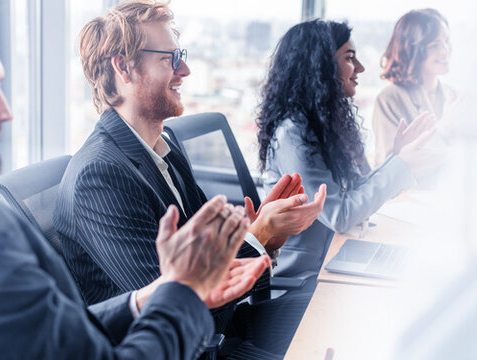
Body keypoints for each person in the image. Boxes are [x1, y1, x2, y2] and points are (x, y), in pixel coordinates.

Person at [0, 0, 268, 358]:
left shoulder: (165, 147)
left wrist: (156, 294)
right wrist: (183, 289)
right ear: (123, 68)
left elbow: (61, 334)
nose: (6, 114)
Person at [55, 1, 326, 357]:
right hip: (190, 347)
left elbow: (205, 259)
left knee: (341, 309)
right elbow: (177, 310)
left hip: (223, 328)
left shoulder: (164, 147)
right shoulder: (99, 176)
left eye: (179, 55)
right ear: (124, 67)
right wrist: (256, 238)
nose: (185, 69)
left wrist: (264, 236)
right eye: (169, 58)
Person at [255, 19, 442, 278]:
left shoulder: (319, 123)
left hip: (328, 259)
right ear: (321, 66)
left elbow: (355, 192)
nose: (360, 68)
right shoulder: (293, 133)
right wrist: (403, 164)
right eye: (350, 58)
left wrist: (397, 157)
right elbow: (340, 216)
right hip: (303, 278)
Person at [372, 9, 457, 165]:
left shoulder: (453, 96)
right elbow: (391, 170)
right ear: (412, 50)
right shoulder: (390, 99)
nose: (445, 51)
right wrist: (444, 129)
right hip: (414, 190)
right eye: (435, 45)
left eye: (446, 41)